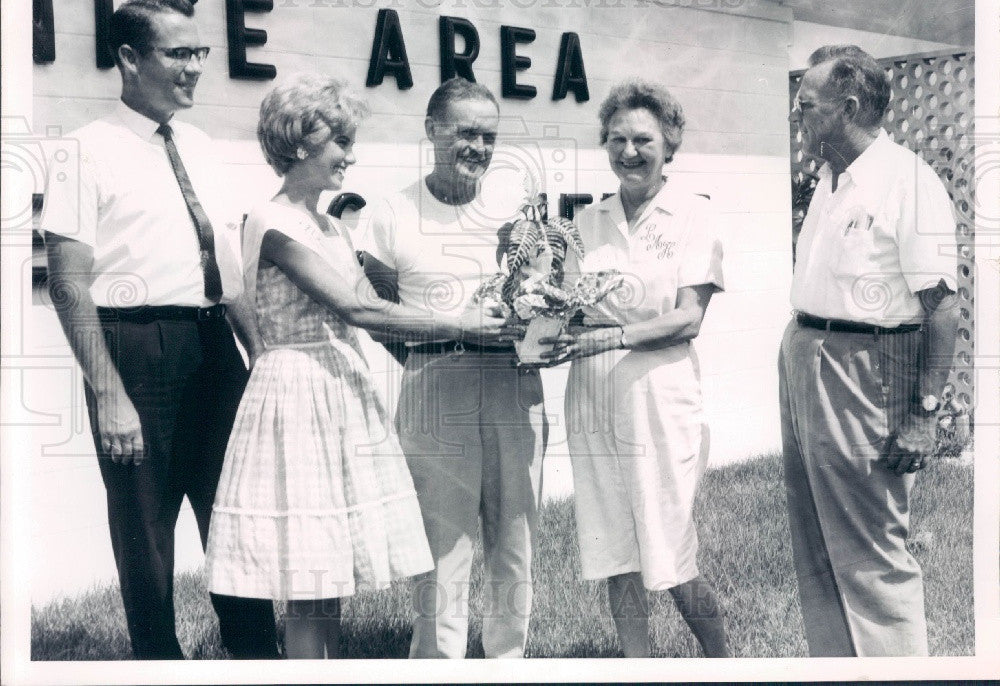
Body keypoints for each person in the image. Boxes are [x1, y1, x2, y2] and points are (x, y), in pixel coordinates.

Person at [203, 75, 503, 658]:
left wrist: (482, 309)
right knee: (307, 573)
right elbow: (358, 307)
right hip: (297, 393)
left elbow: (384, 308)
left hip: (337, 390)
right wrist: (463, 327)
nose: (350, 153)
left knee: (328, 572)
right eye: (338, 140)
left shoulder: (332, 226)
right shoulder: (273, 221)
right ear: (296, 145)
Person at [40, 0, 278, 659]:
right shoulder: (84, 149)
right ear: (128, 57)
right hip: (135, 348)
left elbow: (225, 264)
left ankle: (257, 654)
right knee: (145, 526)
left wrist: (260, 353)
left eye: (199, 51)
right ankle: (157, 661)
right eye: (178, 53)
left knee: (237, 511)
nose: (195, 66)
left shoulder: (201, 145)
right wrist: (108, 392)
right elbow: (67, 282)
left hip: (213, 344)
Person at [541, 79, 730, 658]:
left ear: (668, 144)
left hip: (659, 396)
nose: (629, 152)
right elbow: (566, 311)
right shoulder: (584, 224)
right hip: (593, 397)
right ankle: (637, 666)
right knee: (613, 548)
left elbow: (688, 319)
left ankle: (727, 664)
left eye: (643, 139)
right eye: (617, 139)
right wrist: (530, 304)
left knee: (669, 547)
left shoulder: (693, 217)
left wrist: (611, 337)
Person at [782, 45, 959, 657]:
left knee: (871, 549)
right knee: (817, 540)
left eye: (805, 104)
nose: (796, 115)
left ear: (848, 106)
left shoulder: (907, 182)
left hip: (865, 369)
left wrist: (924, 414)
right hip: (807, 355)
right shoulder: (832, 179)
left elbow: (942, 308)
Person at [361, 77, 548, 658]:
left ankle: (507, 663)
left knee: (514, 543)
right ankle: (438, 668)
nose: (479, 147)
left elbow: (542, 290)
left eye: (488, 136)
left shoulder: (515, 210)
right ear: (431, 130)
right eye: (465, 132)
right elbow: (377, 311)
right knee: (442, 548)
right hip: (435, 390)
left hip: (514, 385)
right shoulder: (390, 211)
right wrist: (433, 356)